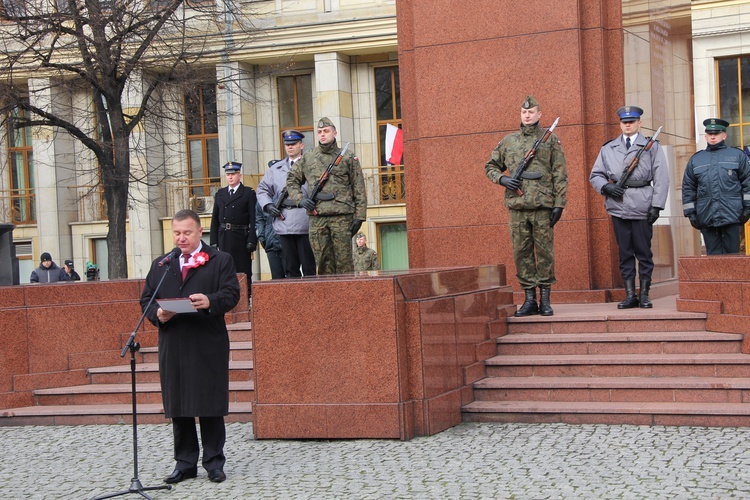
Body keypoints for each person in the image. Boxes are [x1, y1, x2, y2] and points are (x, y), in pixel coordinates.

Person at [140, 209, 240, 485]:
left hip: (207, 341)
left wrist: (210, 301)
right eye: (176, 233)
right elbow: (147, 299)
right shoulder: (162, 264)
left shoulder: (220, 260)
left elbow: (231, 293)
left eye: (186, 233)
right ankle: (184, 463)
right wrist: (157, 315)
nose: (181, 238)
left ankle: (214, 462)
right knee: (179, 404)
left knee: (209, 403)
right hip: (174, 342)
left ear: (199, 232)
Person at [484, 96, 567, 317]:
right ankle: (529, 299)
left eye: (531, 112)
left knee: (545, 254)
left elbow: (560, 174)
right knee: (522, 253)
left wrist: (559, 203)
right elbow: (490, 166)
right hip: (518, 207)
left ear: (540, 115)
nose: (527, 115)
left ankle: (545, 300)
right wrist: (503, 180)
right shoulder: (509, 141)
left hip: (542, 206)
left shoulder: (550, 140)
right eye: (523, 112)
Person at [589, 106, 669, 309]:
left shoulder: (651, 146)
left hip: (642, 204)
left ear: (639, 123)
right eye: (624, 122)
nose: (627, 124)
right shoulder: (608, 148)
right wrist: (607, 187)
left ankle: (644, 295)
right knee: (625, 252)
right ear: (620, 124)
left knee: (643, 252)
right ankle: (630, 295)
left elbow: (661, 177)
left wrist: (657, 206)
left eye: (632, 121)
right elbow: (595, 174)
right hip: (618, 205)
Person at [286, 118, 367, 275]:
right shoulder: (308, 158)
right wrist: (300, 200)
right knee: (322, 262)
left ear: (334, 133)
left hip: (342, 217)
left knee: (344, 263)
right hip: (318, 217)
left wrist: (360, 216)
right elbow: (291, 179)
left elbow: (359, 187)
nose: (322, 135)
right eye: (319, 132)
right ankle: (327, 298)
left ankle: (347, 297)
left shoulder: (348, 158)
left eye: (326, 131)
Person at [682, 118, 750, 255]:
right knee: (712, 259)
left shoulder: (737, 156)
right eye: (710, 133)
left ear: (724, 135)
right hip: (707, 216)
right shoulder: (696, 159)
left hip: (732, 215)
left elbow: (747, 183)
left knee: (733, 258)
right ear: (705, 136)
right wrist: (691, 213)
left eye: (716, 133)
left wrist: (748, 207)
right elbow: (688, 187)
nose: (713, 136)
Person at [257, 130, 317, 278]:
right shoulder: (275, 169)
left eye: (293, 144)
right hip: (284, 222)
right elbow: (262, 189)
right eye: (287, 144)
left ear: (301, 145)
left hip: (304, 219)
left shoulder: (311, 166)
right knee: (290, 268)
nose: (290, 147)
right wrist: (268, 206)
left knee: (309, 267)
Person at [210, 161, 257, 298]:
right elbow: (215, 220)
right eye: (228, 174)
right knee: (224, 269)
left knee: (243, 270)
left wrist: (252, 240)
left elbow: (254, 219)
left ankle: (245, 298)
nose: (230, 177)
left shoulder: (248, 193)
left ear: (239, 175)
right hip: (224, 236)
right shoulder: (220, 194)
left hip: (241, 237)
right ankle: (226, 296)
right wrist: (214, 240)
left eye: (233, 174)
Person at [255, 201, 285, 279]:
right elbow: (259, 219)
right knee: (276, 277)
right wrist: (261, 237)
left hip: (286, 240)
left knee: (291, 276)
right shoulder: (261, 199)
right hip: (270, 242)